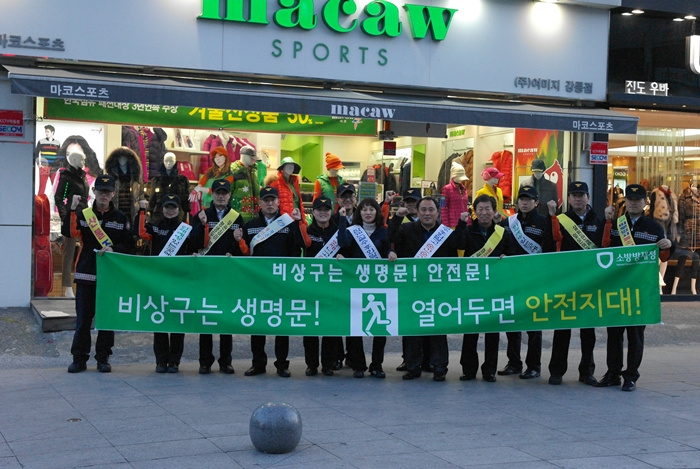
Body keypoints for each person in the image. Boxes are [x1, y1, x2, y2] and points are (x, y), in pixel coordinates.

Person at [595, 184, 673, 392]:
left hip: (640, 289)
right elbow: (600, 246)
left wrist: (668, 246)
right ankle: (613, 373)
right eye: (630, 199)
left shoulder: (654, 228)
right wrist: (606, 221)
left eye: (637, 200)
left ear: (645, 203)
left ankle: (631, 376)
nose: (633, 203)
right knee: (614, 333)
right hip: (616, 287)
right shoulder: (615, 224)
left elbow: (663, 255)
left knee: (635, 334)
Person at [391, 196, 470, 381]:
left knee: (437, 330)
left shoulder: (445, 233)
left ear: (437, 212)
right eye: (423, 210)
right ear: (418, 212)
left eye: (431, 210)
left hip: (437, 290)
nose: (427, 213)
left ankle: (439, 367)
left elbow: (459, 246)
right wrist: (396, 218)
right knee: (412, 329)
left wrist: (461, 224)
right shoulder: (406, 229)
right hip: (413, 288)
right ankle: (412, 367)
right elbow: (391, 238)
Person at [62, 175, 135, 373]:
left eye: (108, 191)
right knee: (83, 321)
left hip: (110, 277)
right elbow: (69, 232)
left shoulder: (121, 218)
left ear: (113, 193)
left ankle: (103, 358)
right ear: (94, 192)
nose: (104, 194)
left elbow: (130, 245)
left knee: (106, 320)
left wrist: (113, 249)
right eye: (101, 190)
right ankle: (79, 359)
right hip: (86, 274)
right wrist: (71, 210)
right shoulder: (84, 215)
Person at [242, 186, 304, 378]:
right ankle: (258, 363)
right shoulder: (249, 225)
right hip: (257, 283)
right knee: (257, 324)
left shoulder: (288, 224)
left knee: (281, 324)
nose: (269, 203)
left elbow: (295, 251)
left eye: (273, 200)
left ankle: (282, 364)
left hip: (280, 282)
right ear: (260, 203)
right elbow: (243, 254)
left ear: (278, 202)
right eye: (266, 200)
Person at [547, 181, 605, 386]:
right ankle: (556, 371)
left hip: (589, 282)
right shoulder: (561, 219)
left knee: (588, 331)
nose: (578, 199)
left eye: (581, 195)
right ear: (569, 198)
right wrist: (551, 217)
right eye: (574, 195)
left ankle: (587, 371)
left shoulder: (598, 220)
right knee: (562, 328)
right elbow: (551, 244)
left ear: (588, 197)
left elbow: (605, 247)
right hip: (566, 282)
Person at [497, 186, 555, 380]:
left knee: (533, 325)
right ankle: (514, 363)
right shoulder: (508, 222)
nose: (524, 202)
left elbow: (549, 249)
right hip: (512, 279)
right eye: (521, 199)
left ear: (536, 202)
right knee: (512, 322)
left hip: (533, 279)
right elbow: (501, 244)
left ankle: (533, 366)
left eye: (528, 199)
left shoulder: (543, 222)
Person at [190, 180, 246, 375]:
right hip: (206, 274)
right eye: (217, 193)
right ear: (212, 194)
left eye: (224, 193)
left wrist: (234, 250)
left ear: (229, 195)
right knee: (205, 317)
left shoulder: (237, 217)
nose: (221, 196)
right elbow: (194, 244)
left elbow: (242, 246)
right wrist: (201, 225)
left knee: (225, 318)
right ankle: (205, 362)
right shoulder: (202, 215)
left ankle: (225, 361)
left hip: (227, 275)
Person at [460, 194, 516, 382]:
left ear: (494, 211)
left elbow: (512, 254)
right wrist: (461, 224)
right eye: (480, 209)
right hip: (472, 287)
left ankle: (489, 370)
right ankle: (468, 369)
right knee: (470, 330)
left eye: (487, 209)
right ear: (474, 212)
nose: (484, 213)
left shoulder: (503, 232)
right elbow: (457, 245)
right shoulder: (468, 231)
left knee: (492, 331)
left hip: (494, 288)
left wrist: (506, 258)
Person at [136, 194, 192, 373]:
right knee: (159, 318)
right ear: (162, 209)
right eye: (167, 207)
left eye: (173, 207)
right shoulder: (155, 227)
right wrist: (142, 211)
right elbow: (140, 233)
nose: (170, 210)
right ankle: (160, 361)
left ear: (178, 209)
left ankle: (174, 361)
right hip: (158, 281)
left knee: (177, 320)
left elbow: (195, 247)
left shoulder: (185, 229)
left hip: (178, 281)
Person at [337, 198, 391, 378]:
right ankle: (358, 364)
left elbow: (388, 251)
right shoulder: (353, 231)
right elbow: (343, 244)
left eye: (371, 209)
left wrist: (391, 253)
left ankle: (377, 365)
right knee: (355, 327)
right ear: (359, 213)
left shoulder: (384, 232)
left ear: (377, 212)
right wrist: (342, 219)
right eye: (364, 209)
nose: (368, 213)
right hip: (356, 285)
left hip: (379, 285)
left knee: (380, 328)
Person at [385, 187, 433, 373]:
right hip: (408, 281)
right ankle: (409, 360)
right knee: (409, 322)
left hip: (430, 281)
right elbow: (390, 239)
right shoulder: (401, 222)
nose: (411, 205)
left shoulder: (434, 224)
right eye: (408, 202)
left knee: (429, 322)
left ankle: (428, 360)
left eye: (414, 202)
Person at [297, 197, 342, 376]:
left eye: (326, 209)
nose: (323, 213)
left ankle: (328, 364)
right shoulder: (306, 231)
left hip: (333, 286)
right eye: (319, 209)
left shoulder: (339, 231)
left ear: (331, 212)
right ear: (313, 212)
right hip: (311, 286)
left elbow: (347, 248)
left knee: (331, 326)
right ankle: (311, 364)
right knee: (311, 326)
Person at [54, 150, 89, 298]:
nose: (83, 163)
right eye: (81, 160)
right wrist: (64, 215)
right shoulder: (66, 177)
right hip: (72, 216)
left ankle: (83, 283)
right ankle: (67, 286)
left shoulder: (83, 177)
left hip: (85, 216)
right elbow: (59, 197)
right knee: (69, 253)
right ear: (74, 160)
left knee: (86, 250)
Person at [147, 152, 191, 223]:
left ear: (175, 161)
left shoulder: (183, 180)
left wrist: (186, 211)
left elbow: (186, 200)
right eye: (166, 160)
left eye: (171, 161)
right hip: (159, 216)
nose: (168, 163)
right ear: (163, 161)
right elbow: (152, 199)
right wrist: (150, 211)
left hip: (177, 216)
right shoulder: (156, 180)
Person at [230, 145, 261, 222]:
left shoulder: (253, 171)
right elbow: (227, 194)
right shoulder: (233, 171)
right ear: (244, 156)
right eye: (251, 157)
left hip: (253, 216)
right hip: (237, 216)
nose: (253, 160)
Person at [441, 161, 470, 228]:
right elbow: (443, 207)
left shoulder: (463, 189)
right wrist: (445, 225)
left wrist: (469, 222)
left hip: (465, 223)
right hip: (453, 224)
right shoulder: (446, 189)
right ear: (454, 176)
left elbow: (465, 207)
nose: (461, 180)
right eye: (459, 176)